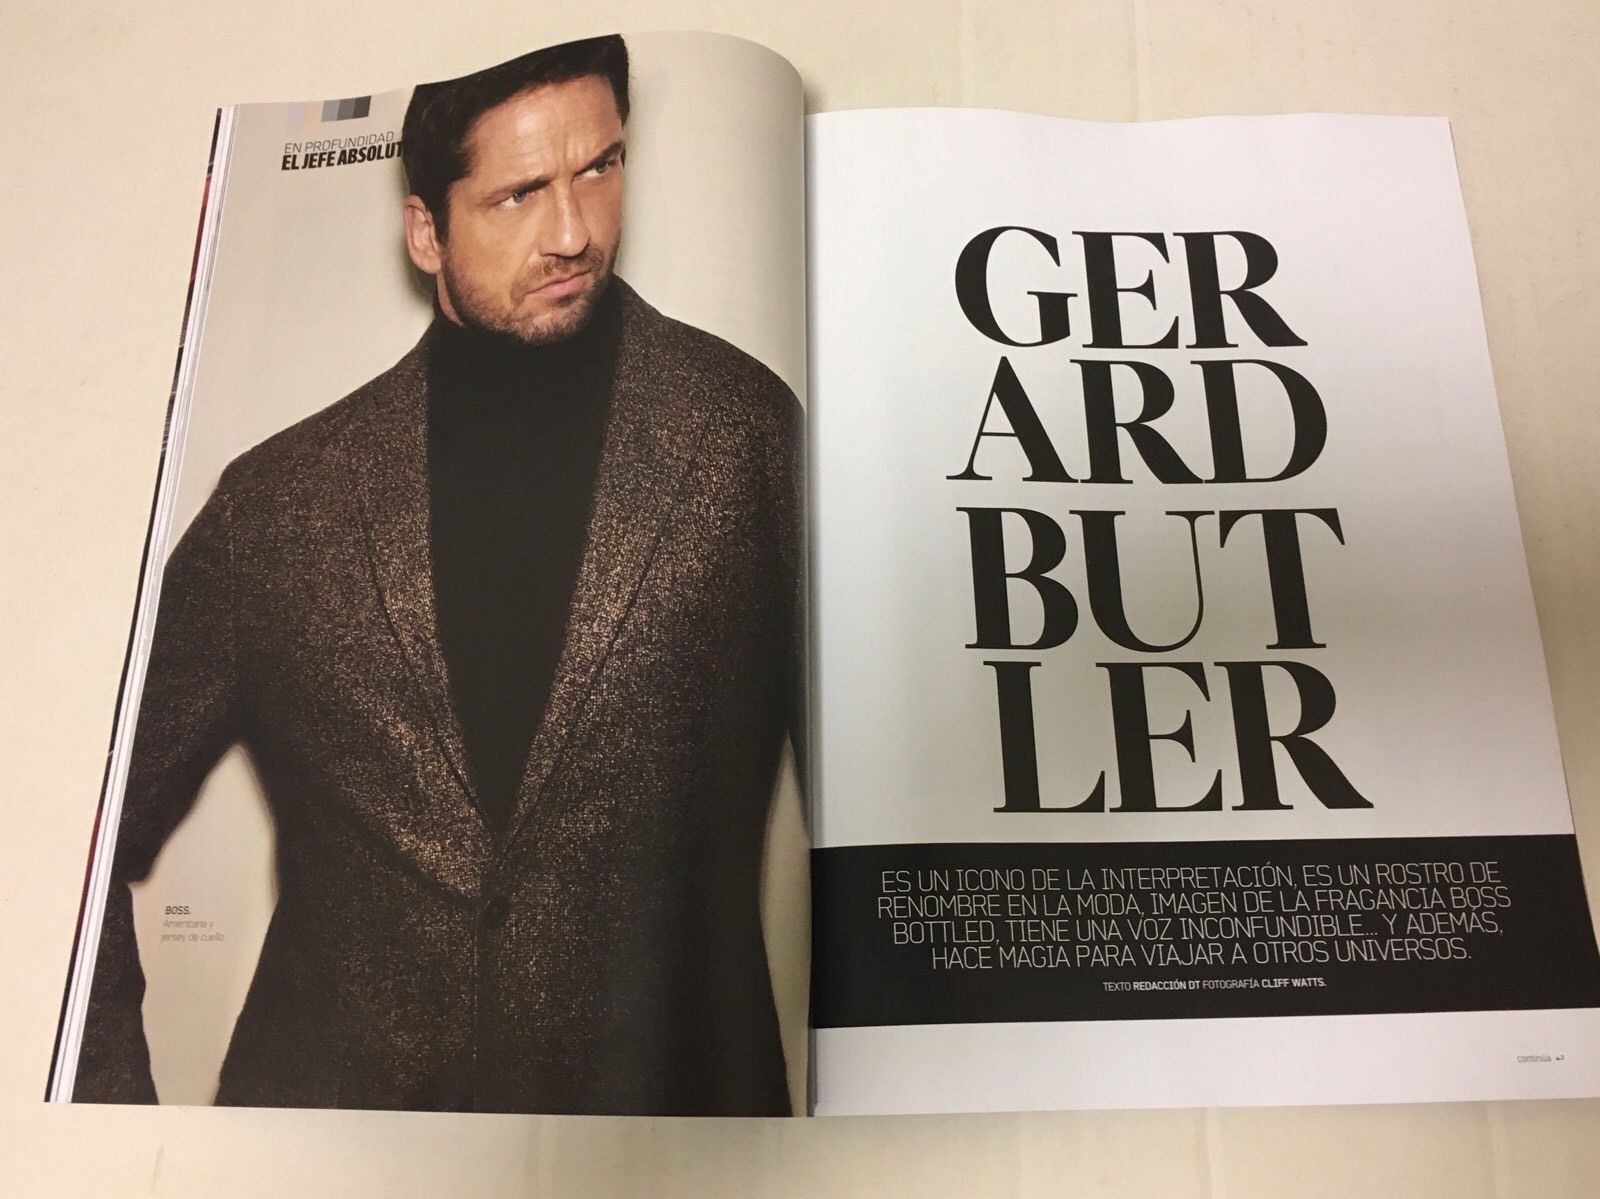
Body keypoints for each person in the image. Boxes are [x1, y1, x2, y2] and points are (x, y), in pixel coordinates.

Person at [72, 34, 800, 1116]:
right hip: (324, 1151)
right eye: (520, 194)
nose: (573, 231)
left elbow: (882, 812)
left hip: (666, 1145)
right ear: (426, 229)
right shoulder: (274, 505)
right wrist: (115, 1123)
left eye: (600, 167)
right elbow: (68, 837)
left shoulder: (749, 434)